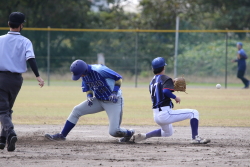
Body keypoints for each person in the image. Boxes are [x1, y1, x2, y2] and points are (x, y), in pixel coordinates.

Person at [45, 60, 134, 142]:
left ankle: (129, 133)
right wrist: (89, 96)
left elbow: (118, 78)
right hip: (99, 100)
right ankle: (62, 135)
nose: (80, 76)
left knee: (114, 132)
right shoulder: (84, 75)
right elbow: (87, 88)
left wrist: (114, 92)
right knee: (77, 110)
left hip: (113, 101)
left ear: (85, 70)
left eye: (80, 74)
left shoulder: (100, 70)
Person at [131, 57, 210, 144]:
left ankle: (144, 136)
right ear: (163, 67)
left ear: (153, 69)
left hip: (156, 115)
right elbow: (165, 91)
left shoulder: (152, 81)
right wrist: (175, 97)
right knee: (194, 113)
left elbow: (160, 92)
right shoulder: (166, 78)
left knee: (168, 132)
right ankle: (195, 138)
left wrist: (170, 84)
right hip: (165, 113)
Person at [0, 12, 44, 152]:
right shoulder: (25, 41)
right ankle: (2, 140)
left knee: (2, 110)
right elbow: (31, 59)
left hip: (1, 78)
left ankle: (11, 132)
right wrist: (38, 76)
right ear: (21, 25)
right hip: (16, 81)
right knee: (7, 110)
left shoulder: (0, 39)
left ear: (8, 24)